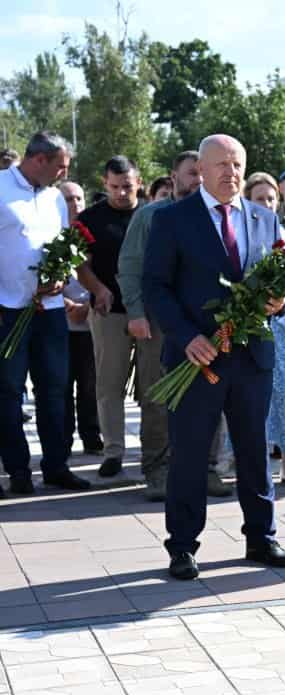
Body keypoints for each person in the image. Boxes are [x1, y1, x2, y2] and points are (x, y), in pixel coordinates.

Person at [141, 134, 285, 580]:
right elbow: (156, 287)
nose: (231, 172)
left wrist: (279, 303)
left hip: (251, 356)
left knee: (253, 449)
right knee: (189, 453)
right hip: (196, 358)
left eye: (238, 164)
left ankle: (261, 537)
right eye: (222, 164)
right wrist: (186, 336)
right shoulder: (172, 220)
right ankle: (183, 546)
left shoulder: (266, 219)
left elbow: (282, 284)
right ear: (201, 170)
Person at [118, 150, 232, 501]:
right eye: (191, 173)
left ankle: (208, 467)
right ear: (174, 177)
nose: (197, 180)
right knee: (158, 394)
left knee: (212, 393)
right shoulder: (152, 216)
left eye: (202, 173)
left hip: (208, 325)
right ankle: (157, 469)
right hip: (160, 322)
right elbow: (132, 266)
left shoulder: (219, 217)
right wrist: (136, 312)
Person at [0, 131, 90, 496]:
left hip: (50, 311)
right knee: (8, 392)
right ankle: (19, 470)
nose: (62, 175)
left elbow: (64, 248)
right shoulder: (2, 188)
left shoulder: (54, 198)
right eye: (61, 167)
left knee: (54, 389)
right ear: (40, 160)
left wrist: (61, 279)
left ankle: (57, 466)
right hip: (7, 310)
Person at [75, 156, 141, 479]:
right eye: (114, 187)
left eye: (127, 186)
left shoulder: (152, 215)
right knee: (109, 383)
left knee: (154, 383)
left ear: (138, 183)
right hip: (108, 311)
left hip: (148, 312)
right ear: (105, 184)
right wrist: (97, 289)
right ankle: (113, 450)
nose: (121, 193)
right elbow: (79, 264)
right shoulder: (90, 219)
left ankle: (156, 450)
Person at [245, 173, 285, 488]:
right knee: (258, 397)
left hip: (284, 325)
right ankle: (257, 465)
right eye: (259, 199)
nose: (267, 204)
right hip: (250, 325)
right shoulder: (240, 235)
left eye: (271, 198)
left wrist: (281, 298)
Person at [59, 181, 103, 456]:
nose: (74, 204)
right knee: (59, 384)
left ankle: (91, 436)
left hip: (90, 319)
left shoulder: (93, 234)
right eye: (67, 199)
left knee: (90, 384)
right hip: (57, 319)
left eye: (78, 198)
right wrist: (63, 303)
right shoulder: (47, 233)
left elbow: (105, 274)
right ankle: (61, 440)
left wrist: (87, 304)